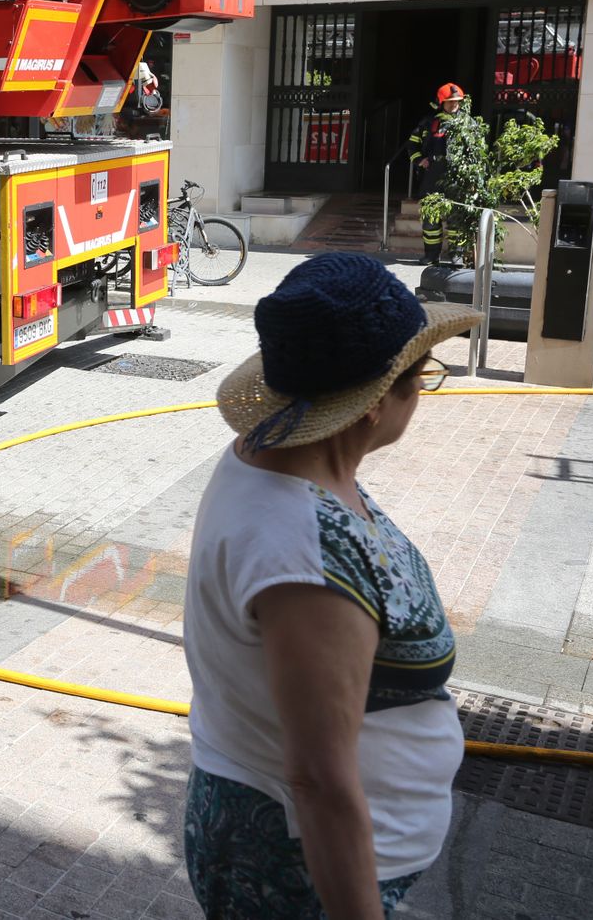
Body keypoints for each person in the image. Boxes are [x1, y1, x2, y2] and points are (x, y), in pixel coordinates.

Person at [183, 253, 482, 919]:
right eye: (420, 378)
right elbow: (319, 781)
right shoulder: (305, 556)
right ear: (373, 404)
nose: (422, 393)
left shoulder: (274, 456)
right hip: (302, 873)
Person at [409, 82, 466, 265]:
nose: (454, 104)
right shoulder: (428, 122)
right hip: (431, 179)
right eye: (450, 101)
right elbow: (412, 144)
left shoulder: (467, 123)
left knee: (456, 220)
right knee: (430, 220)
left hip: (456, 179)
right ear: (441, 102)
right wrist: (420, 160)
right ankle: (431, 255)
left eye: (457, 101)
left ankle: (457, 256)